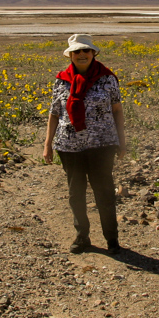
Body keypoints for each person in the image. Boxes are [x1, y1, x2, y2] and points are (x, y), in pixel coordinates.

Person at [44, 34, 126, 254]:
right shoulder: (61, 80)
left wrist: (122, 141)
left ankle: (112, 239)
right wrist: (47, 144)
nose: (82, 55)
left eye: (86, 51)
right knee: (75, 193)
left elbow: (117, 110)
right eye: (77, 51)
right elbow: (54, 113)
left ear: (93, 53)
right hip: (69, 146)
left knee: (105, 193)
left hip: (102, 145)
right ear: (71, 55)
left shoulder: (108, 78)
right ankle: (82, 237)